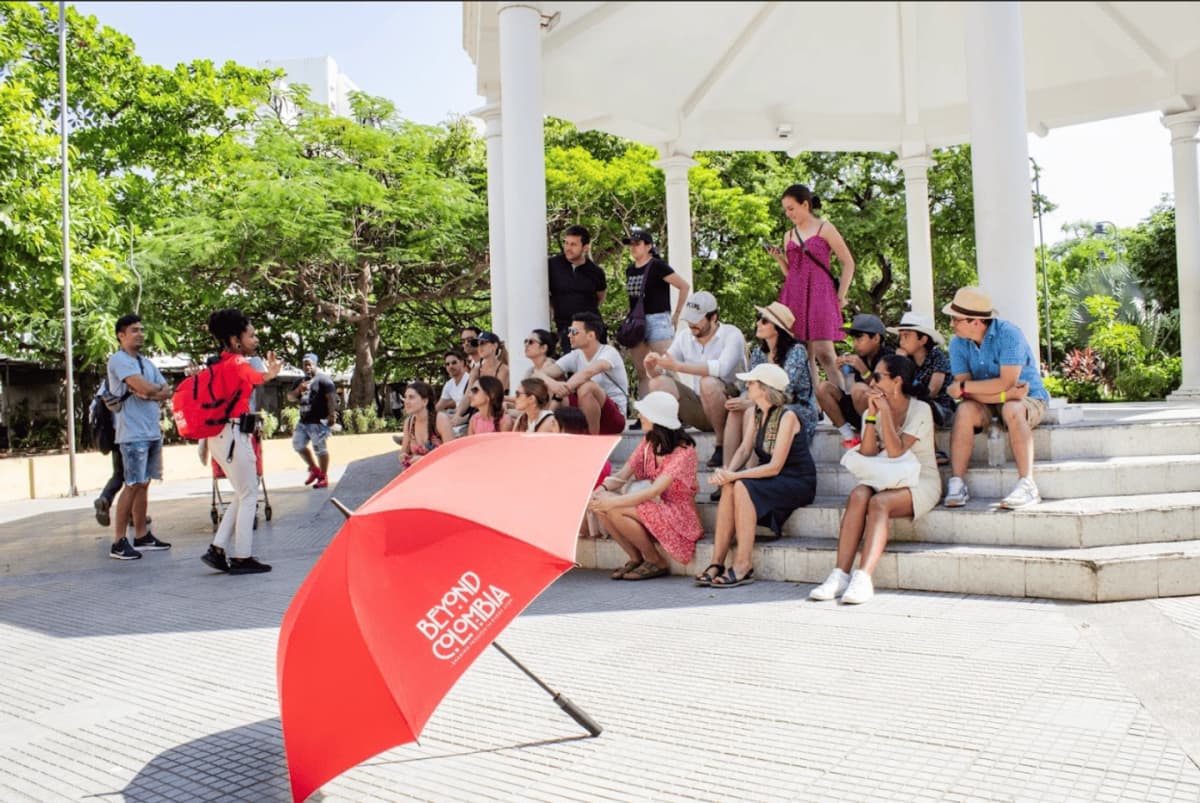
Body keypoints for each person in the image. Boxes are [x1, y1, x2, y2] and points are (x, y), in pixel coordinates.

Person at [809, 355, 942, 604]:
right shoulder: (875, 407)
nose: (872, 381)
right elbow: (869, 452)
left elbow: (895, 450)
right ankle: (840, 574)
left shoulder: (920, 409)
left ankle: (864, 577)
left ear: (897, 381)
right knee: (859, 494)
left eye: (878, 376)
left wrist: (886, 415)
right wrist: (870, 416)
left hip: (920, 480)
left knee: (879, 503)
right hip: (888, 475)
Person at [699, 363, 817, 588]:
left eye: (751, 383)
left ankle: (743, 564)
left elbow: (774, 466)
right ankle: (717, 562)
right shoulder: (755, 412)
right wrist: (728, 473)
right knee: (730, 486)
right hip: (772, 476)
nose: (747, 385)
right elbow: (744, 449)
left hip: (796, 480)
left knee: (741, 484)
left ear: (765, 388)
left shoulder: (788, 416)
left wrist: (735, 477)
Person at [942, 286, 1050, 509]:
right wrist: (1000, 393)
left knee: (1012, 408)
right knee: (964, 411)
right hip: (989, 402)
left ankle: (1028, 484)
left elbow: (1006, 384)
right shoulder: (957, 343)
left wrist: (968, 388)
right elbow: (967, 392)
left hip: (1028, 398)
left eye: (956, 319)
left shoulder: (1009, 334)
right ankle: (957, 482)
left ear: (976, 322)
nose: (951, 324)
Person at [199, 308, 283, 575]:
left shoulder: (220, 364)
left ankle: (217, 549)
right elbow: (254, 378)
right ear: (236, 340)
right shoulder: (237, 364)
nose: (255, 340)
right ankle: (242, 556)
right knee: (249, 494)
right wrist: (270, 373)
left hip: (220, 437)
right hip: (234, 435)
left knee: (242, 491)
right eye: (251, 335)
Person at [587, 392, 702, 580]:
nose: (640, 416)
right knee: (602, 506)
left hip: (678, 513)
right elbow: (623, 474)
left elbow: (655, 490)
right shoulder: (648, 442)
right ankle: (635, 558)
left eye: (644, 413)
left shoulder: (684, 451)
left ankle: (656, 561)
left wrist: (613, 502)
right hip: (653, 504)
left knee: (614, 509)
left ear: (657, 419)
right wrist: (600, 492)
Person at [715, 302, 816, 501]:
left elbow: (784, 391)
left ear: (777, 328)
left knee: (750, 411)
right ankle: (727, 473)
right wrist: (740, 400)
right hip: (765, 405)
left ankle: (751, 474)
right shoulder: (759, 353)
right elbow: (748, 387)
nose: (758, 324)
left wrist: (749, 404)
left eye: (764, 320)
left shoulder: (796, 351)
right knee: (738, 410)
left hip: (795, 409)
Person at [766, 183, 856, 390]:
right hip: (794, 294)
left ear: (805, 204)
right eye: (786, 210)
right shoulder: (788, 235)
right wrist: (779, 259)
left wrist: (841, 295)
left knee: (824, 350)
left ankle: (844, 401)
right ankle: (813, 404)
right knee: (802, 352)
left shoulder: (825, 228)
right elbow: (791, 272)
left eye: (791, 208)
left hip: (821, 292)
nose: (788, 214)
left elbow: (848, 262)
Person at [644, 290, 746, 469]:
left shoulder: (732, 334)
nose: (691, 324)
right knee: (657, 383)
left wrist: (678, 367)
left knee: (708, 382)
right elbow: (665, 367)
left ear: (713, 317)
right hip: (700, 407)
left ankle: (721, 445)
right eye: (689, 318)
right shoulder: (685, 336)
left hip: (731, 407)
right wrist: (652, 366)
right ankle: (670, 440)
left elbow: (721, 368)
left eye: (697, 319)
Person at [105, 314, 173, 560]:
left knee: (144, 484)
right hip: (132, 434)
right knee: (132, 484)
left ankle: (142, 535)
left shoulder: (146, 363)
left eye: (142, 329)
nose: (140, 334)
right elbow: (144, 387)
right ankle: (118, 540)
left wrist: (150, 391)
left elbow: (166, 390)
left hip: (151, 430)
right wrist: (148, 390)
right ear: (121, 335)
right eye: (134, 330)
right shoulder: (119, 360)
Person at [621, 228, 690, 399]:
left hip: (658, 319)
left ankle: (684, 410)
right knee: (642, 370)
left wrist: (677, 314)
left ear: (648, 246)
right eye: (631, 244)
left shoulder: (658, 266)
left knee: (668, 367)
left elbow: (684, 286)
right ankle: (646, 412)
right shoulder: (630, 270)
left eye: (637, 244)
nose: (633, 247)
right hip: (637, 322)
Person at [816, 313, 894, 448]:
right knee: (823, 388)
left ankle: (871, 436)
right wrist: (842, 372)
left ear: (875, 338)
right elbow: (850, 390)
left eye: (860, 338)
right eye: (854, 339)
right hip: (859, 411)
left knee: (859, 389)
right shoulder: (860, 357)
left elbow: (886, 391)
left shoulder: (889, 357)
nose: (855, 344)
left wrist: (864, 371)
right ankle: (849, 437)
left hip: (882, 415)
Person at [545, 312, 630, 435]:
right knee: (548, 387)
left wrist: (565, 388)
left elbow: (588, 372)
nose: (569, 335)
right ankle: (544, 429)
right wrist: (554, 385)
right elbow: (541, 374)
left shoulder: (609, 352)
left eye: (574, 332)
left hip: (613, 418)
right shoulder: (576, 355)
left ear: (591, 335)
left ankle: (590, 440)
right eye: (569, 331)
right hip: (585, 411)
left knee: (587, 387)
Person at [548, 224, 607, 355]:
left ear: (585, 247)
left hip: (593, 328)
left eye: (573, 244)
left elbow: (600, 296)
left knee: (597, 370)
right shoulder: (552, 265)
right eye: (566, 243)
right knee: (574, 369)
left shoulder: (596, 272)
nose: (568, 248)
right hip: (567, 327)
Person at [889, 312, 955, 429]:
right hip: (911, 407)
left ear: (923, 340)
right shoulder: (906, 358)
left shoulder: (937, 357)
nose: (901, 341)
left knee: (922, 407)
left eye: (906, 336)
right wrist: (900, 363)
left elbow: (931, 392)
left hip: (939, 409)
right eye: (901, 336)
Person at [287, 352, 337, 489]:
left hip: (318, 422)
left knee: (320, 450)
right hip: (303, 422)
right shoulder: (299, 381)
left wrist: (332, 415)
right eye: (304, 364)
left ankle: (323, 476)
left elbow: (331, 397)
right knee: (298, 445)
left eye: (309, 364)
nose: (307, 367)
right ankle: (314, 469)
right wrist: (298, 390)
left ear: (315, 364)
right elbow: (290, 397)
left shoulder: (323, 379)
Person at [398, 381, 454, 470]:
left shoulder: (440, 420)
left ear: (425, 401)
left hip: (441, 473)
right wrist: (403, 456)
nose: (406, 401)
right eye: (405, 397)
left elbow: (452, 455)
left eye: (411, 397)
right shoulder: (408, 423)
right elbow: (403, 451)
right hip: (418, 475)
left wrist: (424, 460)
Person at [454, 331, 509, 422]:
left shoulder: (503, 370)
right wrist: (457, 415)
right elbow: (468, 395)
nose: (479, 347)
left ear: (494, 346)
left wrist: (465, 419)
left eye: (483, 343)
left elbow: (494, 397)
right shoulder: (476, 370)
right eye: (477, 344)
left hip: (493, 415)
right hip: (476, 413)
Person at [435, 349, 471, 435]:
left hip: (468, 418)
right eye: (447, 364)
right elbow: (439, 406)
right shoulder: (449, 384)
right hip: (455, 417)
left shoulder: (470, 380)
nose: (450, 366)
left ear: (462, 363)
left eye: (454, 362)